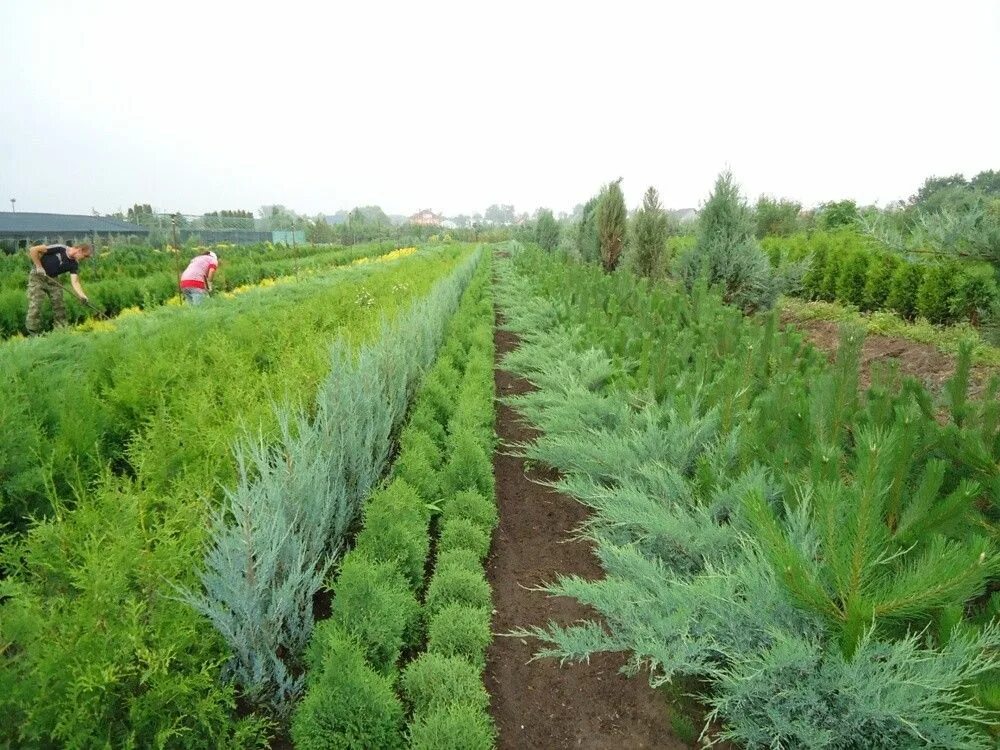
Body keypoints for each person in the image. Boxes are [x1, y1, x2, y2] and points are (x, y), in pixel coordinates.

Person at [26, 241, 93, 334]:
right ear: (80, 250)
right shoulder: (60, 248)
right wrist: (39, 266)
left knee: (59, 306)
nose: (85, 259)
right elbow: (33, 250)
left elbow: (75, 282)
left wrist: (83, 296)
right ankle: (33, 332)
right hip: (38, 277)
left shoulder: (74, 264)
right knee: (36, 304)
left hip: (53, 279)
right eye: (85, 256)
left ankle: (61, 332)